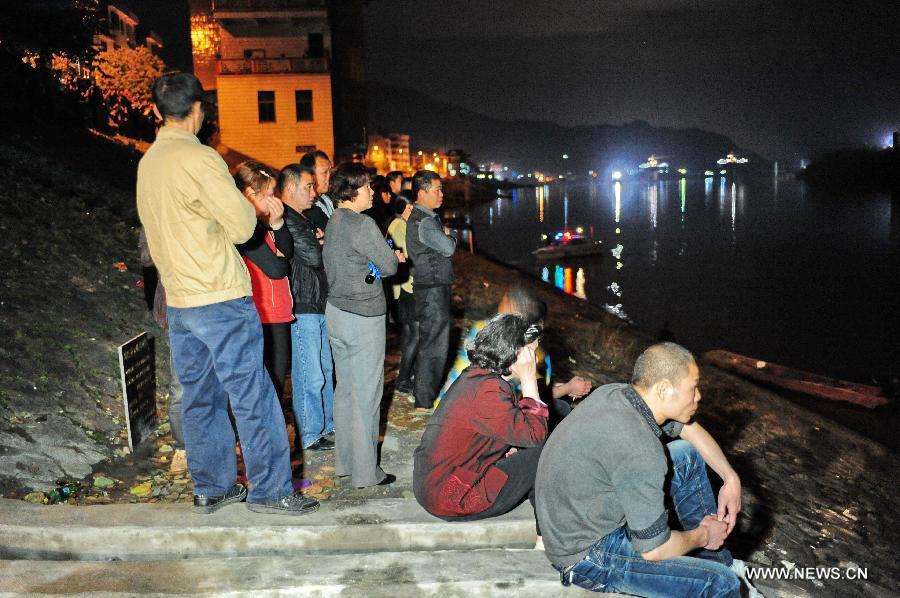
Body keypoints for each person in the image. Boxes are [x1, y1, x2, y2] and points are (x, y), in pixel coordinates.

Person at [136, 72, 317, 516]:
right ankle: (271, 490)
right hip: (218, 295)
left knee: (201, 397)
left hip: (180, 299)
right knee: (252, 393)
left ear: (158, 112)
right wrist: (255, 209)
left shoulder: (148, 163)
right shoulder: (200, 158)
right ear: (198, 108)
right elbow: (239, 226)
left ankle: (212, 487)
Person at [535, 342, 751, 597]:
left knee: (687, 455)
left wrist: (730, 477)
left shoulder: (618, 393)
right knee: (722, 584)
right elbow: (655, 549)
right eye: (692, 388)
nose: (698, 396)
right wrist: (703, 535)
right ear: (663, 389)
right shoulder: (641, 449)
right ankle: (715, 565)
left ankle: (715, 561)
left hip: (581, 515)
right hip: (586, 554)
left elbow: (688, 428)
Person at [413, 314, 548, 523]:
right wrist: (529, 379)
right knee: (545, 448)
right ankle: (547, 530)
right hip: (453, 496)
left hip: (437, 482)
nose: (536, 360)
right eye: (531, 352)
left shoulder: (480, 376)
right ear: (515, 354)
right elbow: (535, 435)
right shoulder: (487, 392)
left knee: (558, 411)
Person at [323, 162, 404, 488]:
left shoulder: (334, 220)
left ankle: (345, 463)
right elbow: (387, 267)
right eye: (368, 186)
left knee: (345, 390)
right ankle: (367, 473)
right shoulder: (363, 224)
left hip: (336, 312)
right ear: (353, 190)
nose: (373, 191)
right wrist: (393, 258)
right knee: (367, 395)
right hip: (363, 317)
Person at [436, 286, 592, 427]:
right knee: (558, 411)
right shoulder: (517, 349)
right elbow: (530, 399)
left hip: (446, 406)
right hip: (472, 420)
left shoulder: (482, 329)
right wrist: (568, 387)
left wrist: (564, 387)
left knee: (559, 407)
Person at [278, 164, 334, 452]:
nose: (314, 192)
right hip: (303, 303)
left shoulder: (303, 219)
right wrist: (322, 241)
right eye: (308, 186)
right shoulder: (286, 220)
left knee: (324, 368)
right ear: (290, 189)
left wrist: (321, 241)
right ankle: (310, 433)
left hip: (318, 300)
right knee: (309, 373)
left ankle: (325, 425)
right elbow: (313, 255)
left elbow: (317, 249)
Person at [233, 161, 294, 403]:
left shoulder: (260, 223)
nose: (273, 200)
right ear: (249, 194)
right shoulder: (244, 227)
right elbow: (278, 268)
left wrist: (278, 223)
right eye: (268, 195)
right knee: (268, 385)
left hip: (275, 312)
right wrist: (279, 256)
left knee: (276, 382)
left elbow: (286, 251)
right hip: (261, 314)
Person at [406, 170, 457, 412]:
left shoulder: (421, 218)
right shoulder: (425, 221)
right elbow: (447, 248)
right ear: (422, 193)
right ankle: (424, 402)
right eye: (436, 190)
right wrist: (452, 235)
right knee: (436, 344)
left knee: (430, 341)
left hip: (429, 287)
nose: (441, 194)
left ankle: (422, 396)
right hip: (433, 290)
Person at [386, 195, 418, 394]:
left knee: (409, 333)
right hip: (406, 288)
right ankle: (404, 377)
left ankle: (407, 374)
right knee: (415, 332)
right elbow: (407, 257)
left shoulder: (396, 225)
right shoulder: (399, 226)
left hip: (403, 288)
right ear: (406, 208)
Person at [300, 150, 334, 234]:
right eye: (325, 172)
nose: (329, 177)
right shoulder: (305, 208)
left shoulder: (329, 197)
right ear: (310, 175)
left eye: (330, 171)